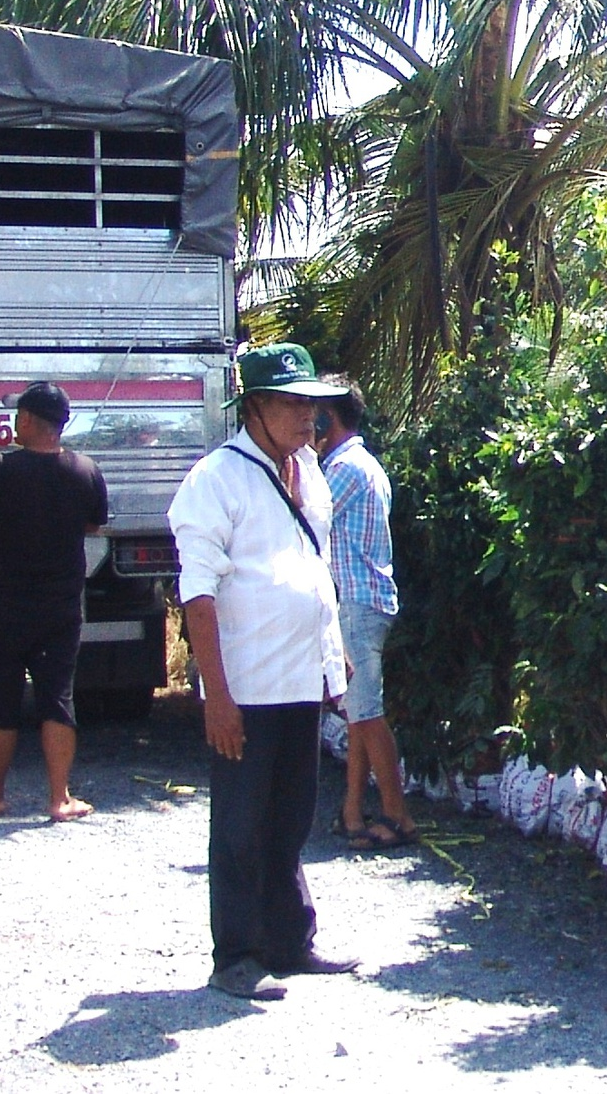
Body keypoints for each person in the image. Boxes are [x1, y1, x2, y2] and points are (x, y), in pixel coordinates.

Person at [169, 342, 357, 1002]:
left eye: (311, 403)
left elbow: (315, 571)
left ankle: (290, 940)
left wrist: (334, 656)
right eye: (292, 403)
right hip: (245, 685)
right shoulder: (215, 479)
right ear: (254, 407)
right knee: (241, 825)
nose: (308, 417)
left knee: (291, 818)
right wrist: (215, 695)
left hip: (301, 678)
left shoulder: (308, 469)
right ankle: (238, 954)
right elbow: (197, 593)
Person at [0, 381, 106, 822]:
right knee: (57, 698)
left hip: (4, 606)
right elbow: (94, 524)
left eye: (17, 415)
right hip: (62, 606)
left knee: (0, 699)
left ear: (27, 420)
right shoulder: (86, 470)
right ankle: (59, 798)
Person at [315, 377, 415, 852]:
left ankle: (398, 816)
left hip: (357, 603)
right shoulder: (356, 463)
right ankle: (353, 809)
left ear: (325, 419)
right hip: (359, 601)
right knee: (358, 712)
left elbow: (302, 512)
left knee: (368, 712)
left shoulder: (345, 470)